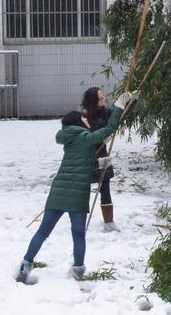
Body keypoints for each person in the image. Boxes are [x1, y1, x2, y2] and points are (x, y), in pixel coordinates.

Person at [16, 91, 134, 284]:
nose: (88, 121)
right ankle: (78, 271)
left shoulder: (70, 139)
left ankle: (25, 264)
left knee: (43, 232)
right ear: (80, 124)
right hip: (77, 193)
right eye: (84, 120)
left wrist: (99, 165)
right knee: (78, 234)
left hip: (58, 193)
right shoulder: (84, 137)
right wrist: (119, 107)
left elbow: (81, 161)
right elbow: (110, 128)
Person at [81, 87, 128, 232]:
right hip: (87, 158)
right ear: (93, 101)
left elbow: (119, 115)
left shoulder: (105, 111)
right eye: (101, 98)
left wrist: (130, 102)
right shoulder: (84, 117)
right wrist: (104, 133)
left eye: (103, 97)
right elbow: (96, 130)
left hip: (102, 155)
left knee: (105, 186)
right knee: (83, 190)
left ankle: (109, 223)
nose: (104, 100)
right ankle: (79, 221)